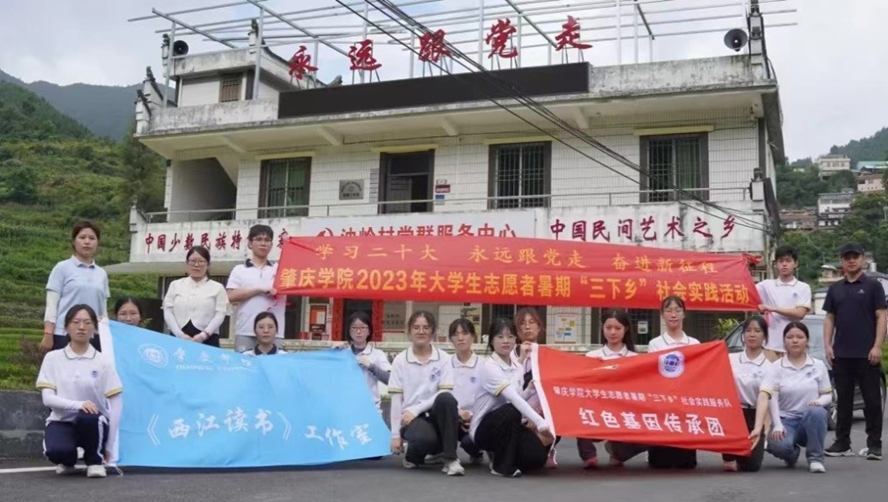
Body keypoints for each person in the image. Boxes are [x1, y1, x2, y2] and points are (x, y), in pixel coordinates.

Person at [36, 304, 122, 478]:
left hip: (94, 423)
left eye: (87, 323)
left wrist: (110, 446)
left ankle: (94, 461)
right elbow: (48, 399)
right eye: (76, 322)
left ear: (94, 329)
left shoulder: (103, 361)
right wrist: (79, 404)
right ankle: (69, 458)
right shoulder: (53, 358)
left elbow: (116, 405)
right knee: (57, 451)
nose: (81, 327)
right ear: (66, 327)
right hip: (61, 421)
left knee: (88, 416)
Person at [823, 243, 885, 461]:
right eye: (847, 257)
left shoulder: (873, 286)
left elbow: (881, 316)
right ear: (842, 261)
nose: (851, 260)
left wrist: (877, 346)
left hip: (867, 354)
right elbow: (830, 318)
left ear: (863, 259)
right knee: (844, 402)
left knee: (872, 402)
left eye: (855, 257)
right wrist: (828, 345)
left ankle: (874, 445)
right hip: (841, 355)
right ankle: (842, 443)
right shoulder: (835, 289)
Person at [471, 318, 553, 477]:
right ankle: (500, 465)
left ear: (516, 339)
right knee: (512, 410)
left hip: (511, 423)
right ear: (491, 340)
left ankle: (502, 454)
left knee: (536, 458)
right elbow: (514, 400)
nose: (506, 341)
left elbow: (517, 397)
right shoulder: (489, 367)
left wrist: (529, 390)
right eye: (500, 337)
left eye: (510, 336)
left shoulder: (517, 366)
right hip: (484, 429)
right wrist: (540, 422)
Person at [388, 311, 464, 476]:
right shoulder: (400, 360)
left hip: (434, 413)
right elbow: (396, 400)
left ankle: (450, 459)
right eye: (416, 327)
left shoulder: (443, 358)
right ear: (409, 331)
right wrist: (395, 435)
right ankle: (412, 457)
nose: (421, 331)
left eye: (426, 327)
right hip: (411, 419)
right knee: (424, 438)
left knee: (447, 399)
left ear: (433, 331)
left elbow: (445, 391)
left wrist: (417, 409)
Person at [750, 321, 832, 473]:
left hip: (809, 419)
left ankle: (815, 459)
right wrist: (777, 424)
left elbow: (828, 395)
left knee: (817, 412)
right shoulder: (776, 367)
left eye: (799, 337)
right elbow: (772, 398)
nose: (795, 341)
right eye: (790, 337)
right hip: (786, 421)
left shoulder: (818, 365)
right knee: (778, 445)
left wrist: (819, 401)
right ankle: (791, 454)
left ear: (807, 340)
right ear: (784, 341)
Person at [577, 308, 638, 469]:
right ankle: (588, 455)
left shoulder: (635, 359)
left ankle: (617, 452)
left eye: (617, 328)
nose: (612, 332)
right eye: (608, 327)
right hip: (597, 409)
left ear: (626, 329)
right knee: (579, 409)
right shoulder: (592, 357)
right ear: (602, 328)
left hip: (624, 410)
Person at [645, 295, 700, 469]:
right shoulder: (655, 344)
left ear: (684, 313)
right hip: (663, 399)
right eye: (669, 311)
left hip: (686, 399)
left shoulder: (694, 343)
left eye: (677, 310)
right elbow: (652, 373)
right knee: (660, 458)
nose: (673, 314)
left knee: (685, 459)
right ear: (662, 314)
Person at [42, 220, 110, 352]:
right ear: (74, 241)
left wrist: (106, 335)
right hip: (64, 334)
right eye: (82, 237)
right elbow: (51, 305)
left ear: (97, 243)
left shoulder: (101, 273)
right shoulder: (62, 268)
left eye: (92, 238)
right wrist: (48, 333)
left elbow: (103, 311)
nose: (87, 242)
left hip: (93, 336)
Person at [226, 225, 285, 353]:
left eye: (267, 240)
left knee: (274, 365)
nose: (263, 243)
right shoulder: (239, 270)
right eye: (258, 239)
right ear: (250, 243)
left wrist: (290, 245)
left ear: (271, 244)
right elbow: (229, 296)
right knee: (244, 365)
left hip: (274, 333)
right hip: (245, 330)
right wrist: (259, 290)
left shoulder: (280, 270)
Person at [723, 315, 769, 472]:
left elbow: (765, 399)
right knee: (730, 463)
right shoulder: (729, 359)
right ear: (743, 335)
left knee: (751, 466)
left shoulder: (769, 367)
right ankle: (729, 455)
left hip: (754, 415)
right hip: (732, 414)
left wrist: (760, 428)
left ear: (765, 336)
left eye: (757, 331)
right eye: (748, 330)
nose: (752, 334)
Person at [514, 307, 558, 467]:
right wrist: (521, 359)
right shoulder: (510, 356)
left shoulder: (548, 356)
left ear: (539, 327)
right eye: (522, 323)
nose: (527, 326)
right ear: (517, 330)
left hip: (540, 415)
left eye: (532, 322)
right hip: (515, 415)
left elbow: (553, 391)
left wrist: (537, 415)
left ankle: (549, 449)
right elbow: (508, 388)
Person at [163, 246, 229, 347]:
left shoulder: (218, 287)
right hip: (178, 337)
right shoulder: (175, 285)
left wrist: (204, 335)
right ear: (186, 263)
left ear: (208, 265)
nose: (196, 265)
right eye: (193, 261)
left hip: (208, 339)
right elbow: (168, 311)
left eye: (201, 261)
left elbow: (220, 314)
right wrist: (179, 334)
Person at [756, 245, 812, 358]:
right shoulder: (766, 285)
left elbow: (800, 313)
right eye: (781, 261)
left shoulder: (803, 287)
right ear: (776, 264)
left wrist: (774, 309)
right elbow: (746, 290)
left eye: (788, 261)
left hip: (793, 348)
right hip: (770, 347)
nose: (784, 264)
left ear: (795, 263)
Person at [448, 318, 485, 465]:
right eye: (456, 334)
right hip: (452, 417)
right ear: (451, 339)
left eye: (465, 333)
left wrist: (474, 417)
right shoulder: (445, 364)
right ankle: (445, 454)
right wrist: (458, 412)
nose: (460, 338)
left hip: (478, 418)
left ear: (473, 336)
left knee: (470, 442)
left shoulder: (484, 365)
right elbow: (440, 394)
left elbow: (489, 397)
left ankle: (478, 451)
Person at [344, 311, 390, 410]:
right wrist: (334, 354)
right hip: (346, 408)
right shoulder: (343, 354)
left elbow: (391, 380)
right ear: (349, 331)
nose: (358, 331)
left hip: (371, 409)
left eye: (363, 327)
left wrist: (371, 366)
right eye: (354, 327)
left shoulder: (377, 354)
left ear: (369, 331)